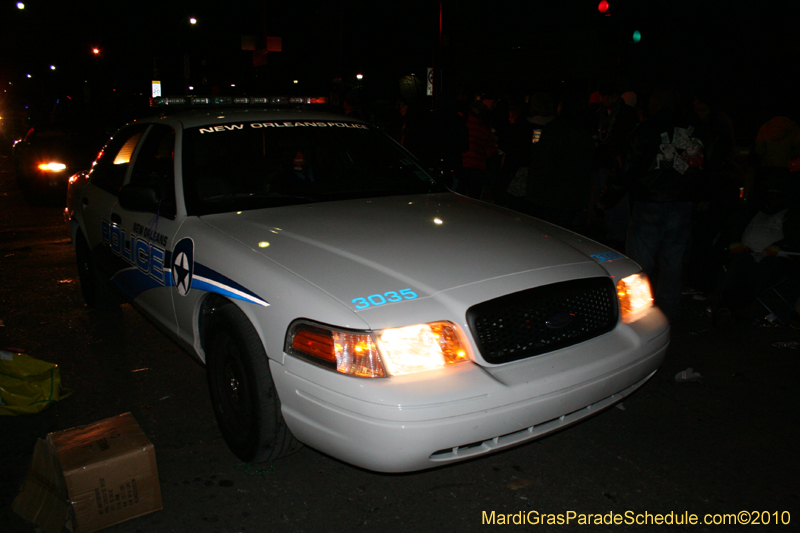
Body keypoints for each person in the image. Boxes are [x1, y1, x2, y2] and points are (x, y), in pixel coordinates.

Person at [600, 86, 708, 322]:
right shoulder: (694, 129)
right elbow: (704, 165)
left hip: (649, 202)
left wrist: (608, 197)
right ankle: (667, 314)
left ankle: (637, 315)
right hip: (681, 203)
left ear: (655, 104)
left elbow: (628, 165)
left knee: (640, 263)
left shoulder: (646, 129)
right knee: (673, 262)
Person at [525, 92, 595, 231]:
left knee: (550, 228)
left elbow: (543, 162)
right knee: (563, 227)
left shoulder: (554, 128)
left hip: (553, 191)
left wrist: (535, 191)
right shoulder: (584, 131)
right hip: (572, 191)